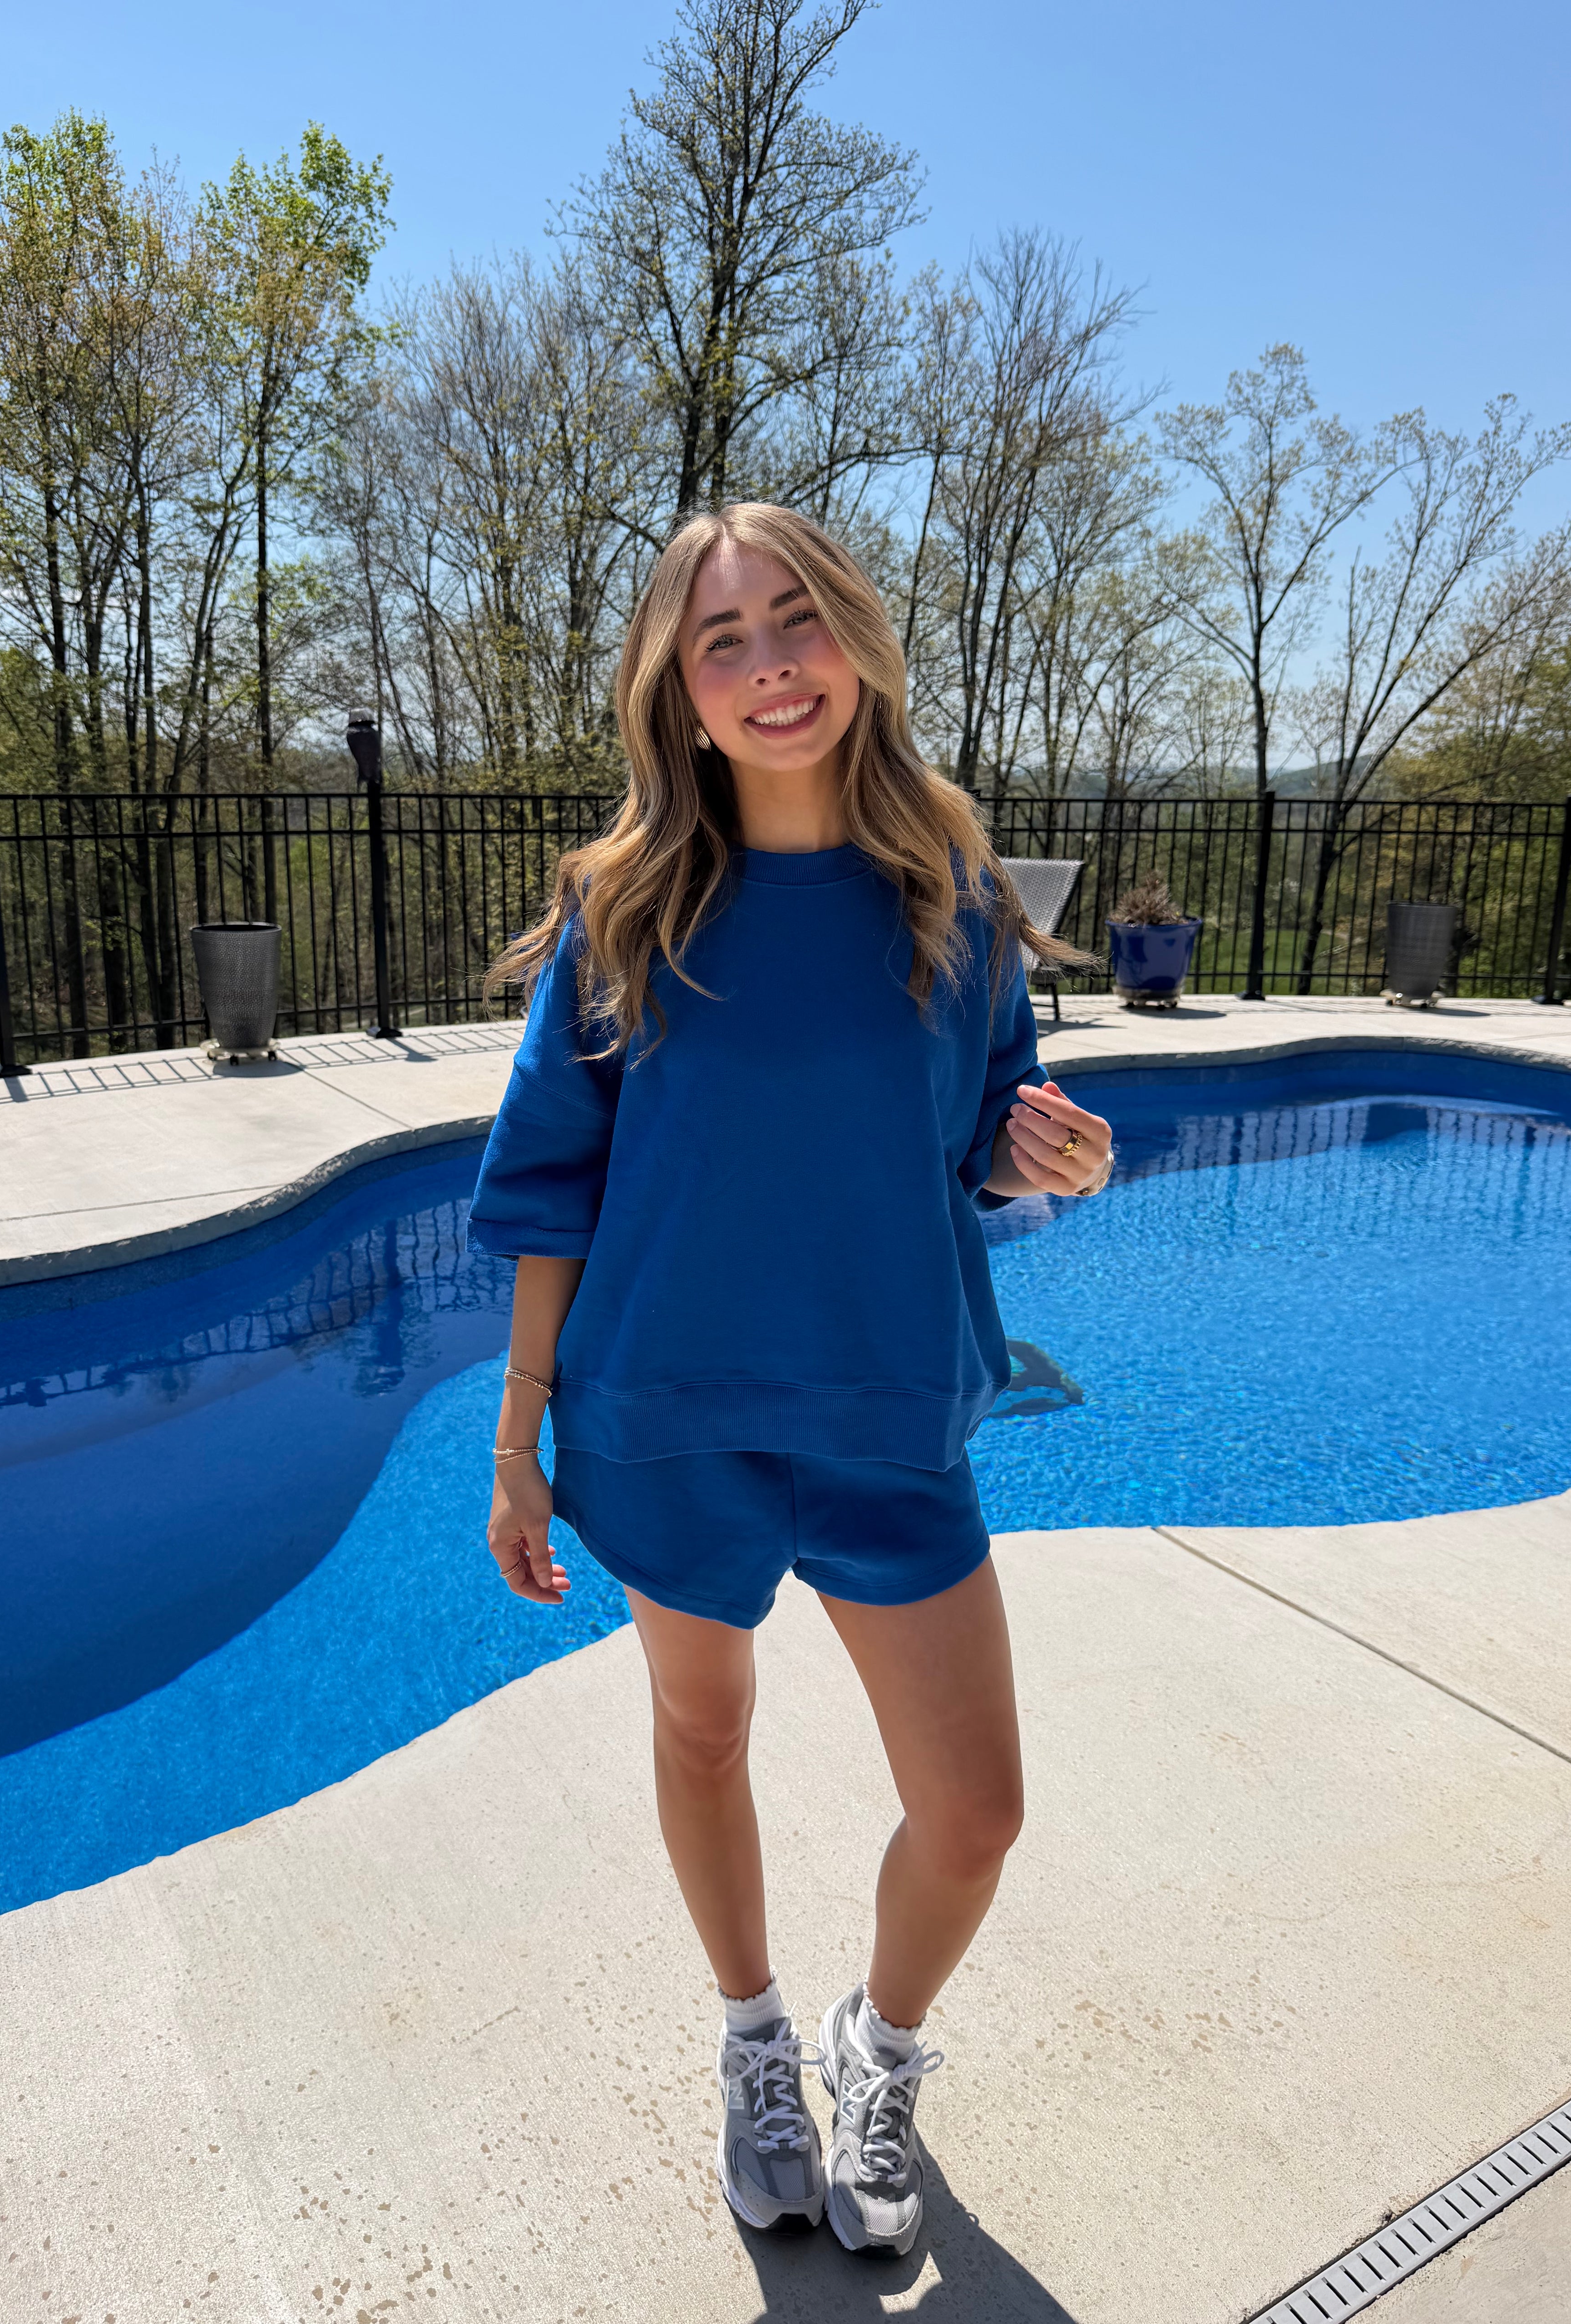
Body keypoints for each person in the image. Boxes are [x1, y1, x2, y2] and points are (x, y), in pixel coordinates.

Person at [466, 501, 1113, 2257]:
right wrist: (520, 1444)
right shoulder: (624, 910)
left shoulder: (958, 900)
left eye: (796, 622)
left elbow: (974, 1132)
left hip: (889, 1405)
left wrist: (1038, 1152)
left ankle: (878, 2045)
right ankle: (755, 2036)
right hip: (664, 1409)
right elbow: (550, 1195)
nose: (767, 666)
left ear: (858, 647)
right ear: (677, 695)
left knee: (975, 1810)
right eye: (722, 639)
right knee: (704, 1724)